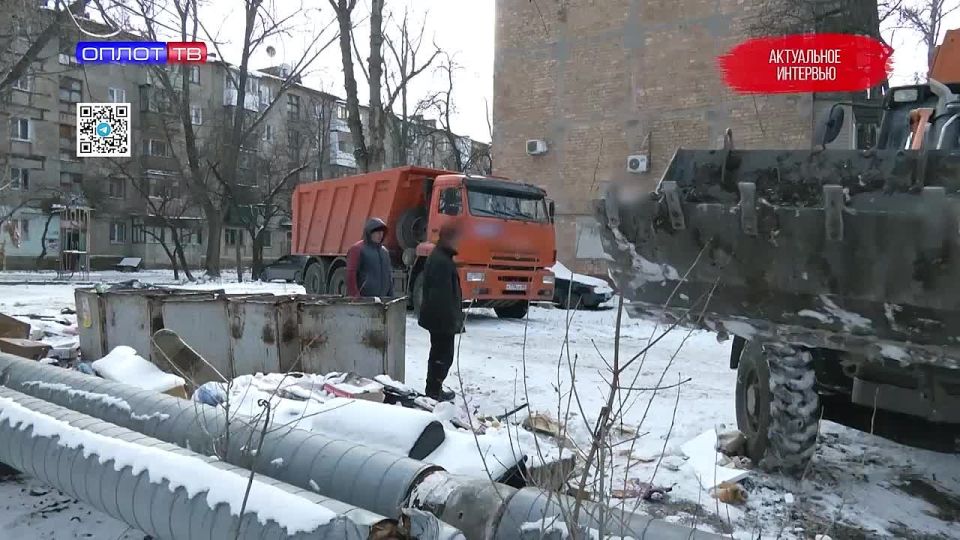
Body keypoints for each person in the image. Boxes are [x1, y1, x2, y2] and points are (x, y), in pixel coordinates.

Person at [417, 220, 464, 402]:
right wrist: (450, 321)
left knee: (440, 354)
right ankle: (433, 391)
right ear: (448, 238)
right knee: (442, 356)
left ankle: (435, 388)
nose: (459, 242)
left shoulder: (442, 257)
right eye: (456, 238)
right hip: (441, 320)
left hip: (440, 318)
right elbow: (440, 296)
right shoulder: (441, 261)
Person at [345, 218, 394, 298]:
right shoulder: (357, 249)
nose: (380, 235)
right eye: (377, 232)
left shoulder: (384, 252)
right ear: (369, 232)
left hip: (383, 299)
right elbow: (351, 274)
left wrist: (391, 296)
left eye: (382, 232)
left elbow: (388, 276)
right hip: (364, 300)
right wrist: (355, 295)